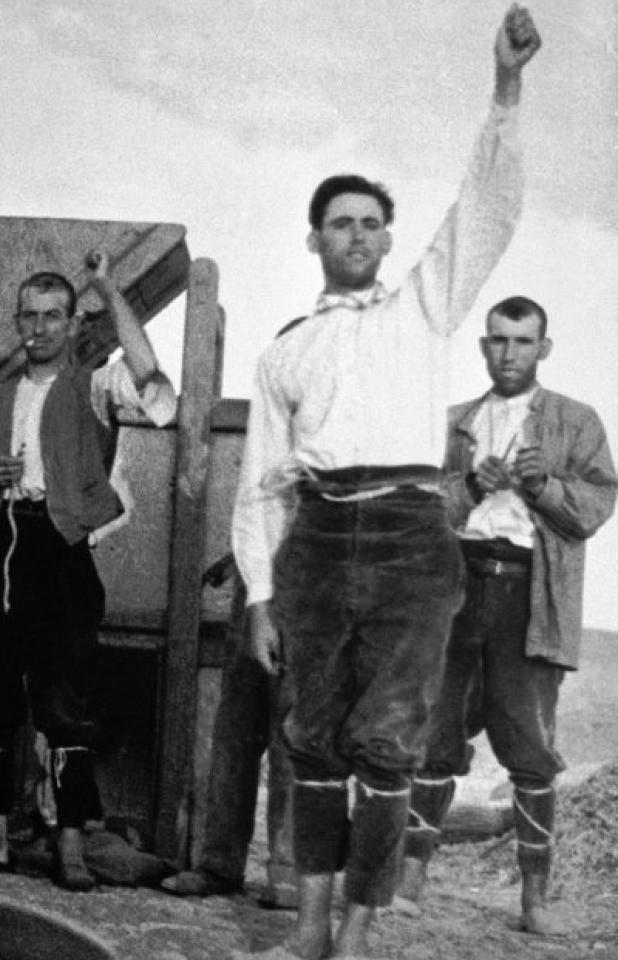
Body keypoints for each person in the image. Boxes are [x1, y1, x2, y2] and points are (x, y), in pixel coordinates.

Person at [230, 8, 540, 956]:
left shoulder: (426, 311)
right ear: (314, 237)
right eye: (340, 224)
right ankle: (313, 928)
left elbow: (487, 207)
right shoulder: (288, 352)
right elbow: (261, 488)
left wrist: (506, 89)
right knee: (312, 740)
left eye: (371, 224)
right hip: (319, 541)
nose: (357, 236)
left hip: (413, 541)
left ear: (389, 236)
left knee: (390, 745)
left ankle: (360, 935)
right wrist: (261, 596)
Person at [0, 252, 175, 888]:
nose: (39, 328)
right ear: (16, 322)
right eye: (29, 317)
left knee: (64, 701)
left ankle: (70, 844)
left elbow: (151, 379)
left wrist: (105, 287)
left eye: (53, 316)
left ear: (71, 324)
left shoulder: (95, 385)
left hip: (61, 552)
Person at [396, 296, 614, 934]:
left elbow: (596, 510)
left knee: (530, 751)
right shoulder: (454, 423)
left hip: (530, 594)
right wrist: (469, 486)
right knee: (433, 738)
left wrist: (544, 485)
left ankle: (534, 904)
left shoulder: (576, 422)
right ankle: (410, 880)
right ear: (483, 346)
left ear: (543, 348)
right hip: (457, 588)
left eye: (522, 341)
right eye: (497, 340)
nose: (509, 352)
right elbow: (412, 511)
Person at [158, 587, 297, 909]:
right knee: (234, 736)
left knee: (293, 742)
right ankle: (219, 866)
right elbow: (250, 536)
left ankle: (288, 873)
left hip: (312, 590)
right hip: (253, 597)